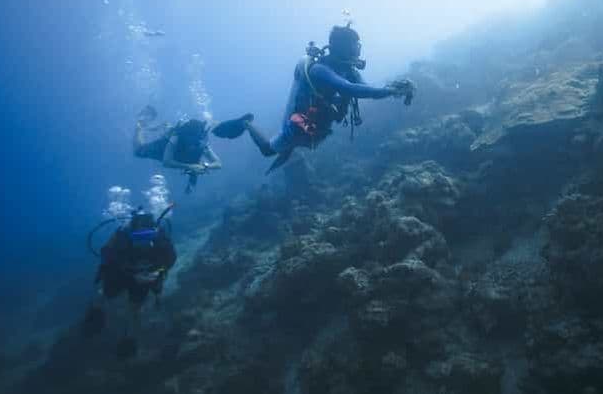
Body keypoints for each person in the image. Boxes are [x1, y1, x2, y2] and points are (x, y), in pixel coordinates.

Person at [212, 24, 415, 173]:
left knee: (300, 142)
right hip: (296, 123)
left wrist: (394, 88)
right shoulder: (320, 70)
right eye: (356, 45)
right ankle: (247, 123)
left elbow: (366, 88)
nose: (358, 49)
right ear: (344, 48)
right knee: (268, 150)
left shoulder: (348, 69)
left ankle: (289, 146)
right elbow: (350, 88)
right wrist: (390, 90)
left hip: (315, 124)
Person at [82, 206, 177, 358]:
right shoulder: (122, 235)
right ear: (133, 227)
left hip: (145, 277)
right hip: (121, 275)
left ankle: (128, 339)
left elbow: (170, 258)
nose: (143, 240)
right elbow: (107, 255)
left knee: (135, 307)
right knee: (108, 294)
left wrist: (157, 272)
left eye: (147, 234)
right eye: (138, 235)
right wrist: (130, 272)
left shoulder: (159, 236)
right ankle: (96, 314)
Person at [133, 106, 222, 192]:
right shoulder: (176, 137)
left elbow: (218, 163)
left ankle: (163, 126)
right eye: (192, 140)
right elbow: (166, 162)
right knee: (138, 151)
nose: (195, 143)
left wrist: (206, 166)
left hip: (183, 157)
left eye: (197, 140)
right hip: (163, 149)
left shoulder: (201, 141)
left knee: (195, 161)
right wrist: (190, 167)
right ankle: (140, 126)